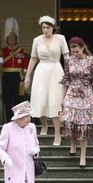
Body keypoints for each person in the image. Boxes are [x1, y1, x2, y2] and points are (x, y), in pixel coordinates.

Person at [24, 15, 69, 146]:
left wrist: (69, 74)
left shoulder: (60, 38)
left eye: (47, 28)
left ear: (53, 28)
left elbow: (66, 57)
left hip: (56, 69)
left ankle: (57, 133)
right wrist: (28, 76)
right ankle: (44, 124)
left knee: (56, 102)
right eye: (43, 27)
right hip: (41, 70)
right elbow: (33, 58)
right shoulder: (37, 40)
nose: (45, 30)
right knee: (41, 100)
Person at [60, 36, 93, 168]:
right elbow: (66, 79)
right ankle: (73, 144)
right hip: (71, 92)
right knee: (70, 121)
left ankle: (82, 155)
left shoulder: (92, 60)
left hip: (86, 93)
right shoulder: (68, 60)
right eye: (73, 52)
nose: (75, 54)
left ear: (83, 48)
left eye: (77, 51)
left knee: (84, 125)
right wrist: (62, 98)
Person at [0, 17, 29, 122]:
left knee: (19, 99)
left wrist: (24, 77)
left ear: (16, 39)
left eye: (13, 39)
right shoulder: (3, 51)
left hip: (18, 77)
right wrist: (0, 59)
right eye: (9, 39)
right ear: (7, 40)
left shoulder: (22, 52)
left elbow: (26, 66)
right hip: (7, 77)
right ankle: (9, 120)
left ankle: (19, 119)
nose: (11, 41)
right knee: (7, 99)